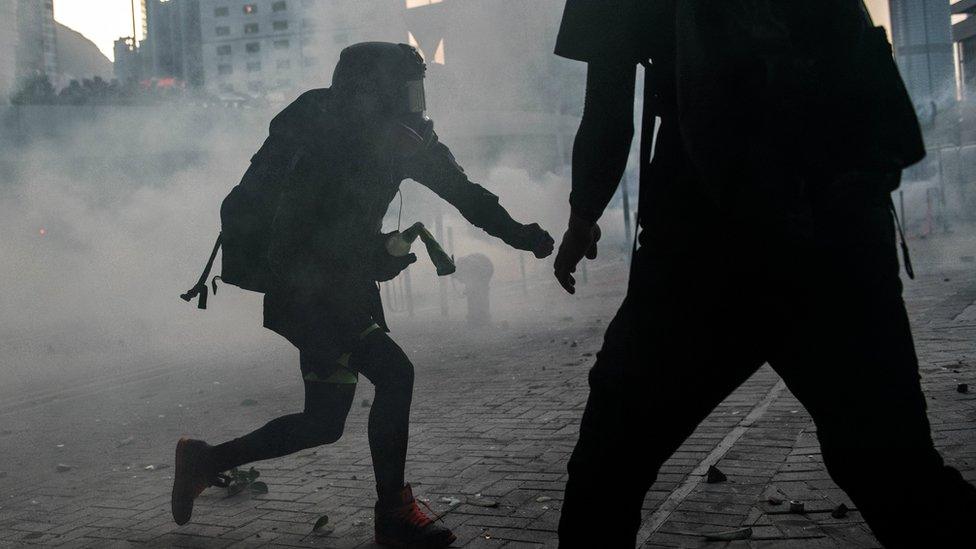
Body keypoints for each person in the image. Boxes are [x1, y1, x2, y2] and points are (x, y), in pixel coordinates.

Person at [551, 2, 976, 548]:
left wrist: (583, 215)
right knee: (895, 471)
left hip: (705, 240)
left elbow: (609, 108)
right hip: (838, 217)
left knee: (609, 468)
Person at [171, 42, 554, 548]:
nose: (415, 105)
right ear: (372, 93)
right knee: (396, 374)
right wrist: (371, 254)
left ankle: (205, 460)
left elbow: (466, 194)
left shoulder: (404, 141)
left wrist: (517, 233)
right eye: (404, 91)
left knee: (322, 421)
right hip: (308, 292)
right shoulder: (321, 136)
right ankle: (393, 513)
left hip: (340, 289)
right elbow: (306, 228)